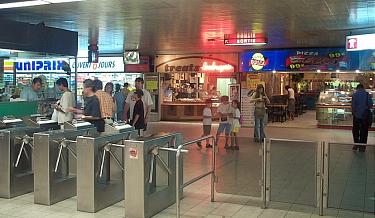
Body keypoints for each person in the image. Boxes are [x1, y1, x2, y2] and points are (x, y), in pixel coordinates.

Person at [351, 84, 373, 152]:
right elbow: (370, 104)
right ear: (363, 88)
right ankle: (362, 147)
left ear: (357, 88)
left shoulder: (354, 95)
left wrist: (354, 113)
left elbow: (353, 106)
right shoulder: (367, 94)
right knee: (364, 131)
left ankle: (356, 144)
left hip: (356, 116)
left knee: (356, 130)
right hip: (365, 116)